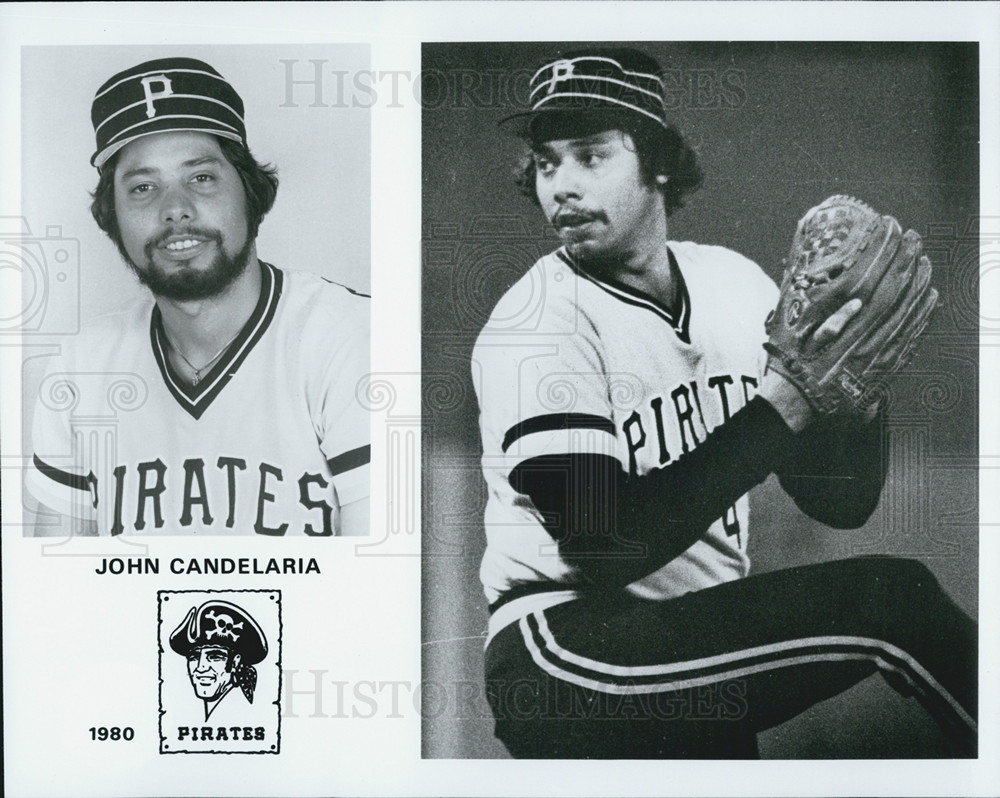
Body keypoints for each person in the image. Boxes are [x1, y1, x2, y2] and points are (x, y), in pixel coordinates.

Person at [472, 47, 976, 758]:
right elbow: (604, 542)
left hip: (689, 649)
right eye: (548, 162)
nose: (561, 186)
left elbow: (840, 502)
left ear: (660, 164)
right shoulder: (537, 320)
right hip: (567, 656)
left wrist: (857, 402)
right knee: (894, 605)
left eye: (590, 155)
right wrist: (788, 403)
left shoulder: (736, 287)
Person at [26, 57, 370, 536]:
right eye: (143, 187)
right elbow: (55, 594)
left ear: (249, 192)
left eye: (201, 177)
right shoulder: (81, 363)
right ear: (113, 217)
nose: (176, 210)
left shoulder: (351, 337)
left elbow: (377, 590)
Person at [169, 600, 267, 721]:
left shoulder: (241, 713)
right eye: (194, 657)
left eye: (215, 657)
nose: (201, 667)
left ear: (235, 662)